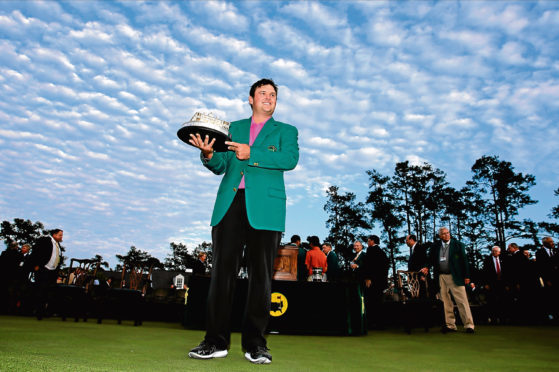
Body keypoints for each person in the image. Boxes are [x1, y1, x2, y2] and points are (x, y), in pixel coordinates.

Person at [187, 78, 299, 364]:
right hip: (230, 205)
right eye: (262, 93)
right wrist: (209, 154)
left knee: (260, 279)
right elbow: (222, 165)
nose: (268, 97)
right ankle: (215, 342)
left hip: (267, 211)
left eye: (273, 94)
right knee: (222, 275)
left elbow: (289, 159)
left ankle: (255, 345)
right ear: (250, 99)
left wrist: (254, 154)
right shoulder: (232, 128)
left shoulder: (286, 131)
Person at [425, 227, 475, 333]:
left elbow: (464, 261)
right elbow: (430, 259)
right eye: (443, 233)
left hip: (455, 276)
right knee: (445, 302)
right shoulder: (435, 246)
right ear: (440, 236)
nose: (446, 235)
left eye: (448, 233)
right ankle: (450, 325)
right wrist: (427, 267)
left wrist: (467, 276)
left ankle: (469, 325)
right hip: (441, 276)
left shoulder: (458, 245)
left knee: (462, 301)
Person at [28, 229, 64, 320]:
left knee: (48, 291)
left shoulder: (57, 245)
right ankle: (38, 312)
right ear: (54, 235)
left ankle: (44, 311)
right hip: (43, 269)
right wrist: (36, 265)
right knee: (40, 291)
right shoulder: (45, 241)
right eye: (60, 235)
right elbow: (36, 252)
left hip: (52, 272)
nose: (61, 237)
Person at [361, 235, 389, 329]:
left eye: (368, 241)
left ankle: (372, 323)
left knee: (371, 302)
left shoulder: (371, 251)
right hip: (380, 282)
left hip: (372, 282)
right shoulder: (382, 252)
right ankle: (380, 323)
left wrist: (368, 278)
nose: (367, 243)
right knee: (378, 301)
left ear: (372, 241)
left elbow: (369, 265)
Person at [536, 237, 558, 322]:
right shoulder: (540, 253)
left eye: (552, 241)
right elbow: (541, 268)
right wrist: (546, 280)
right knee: (550, 298)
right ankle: (551, 316)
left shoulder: (556, 251)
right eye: (551, 242)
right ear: (545, 243)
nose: (553, 243)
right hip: (548, 279)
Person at [482, 246, 505, 324]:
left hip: (502, 284)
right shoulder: (487, 260)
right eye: (493, 251)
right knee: (492, 301)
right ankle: (493, 318)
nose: (494, 252)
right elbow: (484, 272)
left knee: (502, 301)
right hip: (491, 284)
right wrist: (486, 283)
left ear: (499, 252)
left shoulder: (503, 260)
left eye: (496, 251)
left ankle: (502, 318)